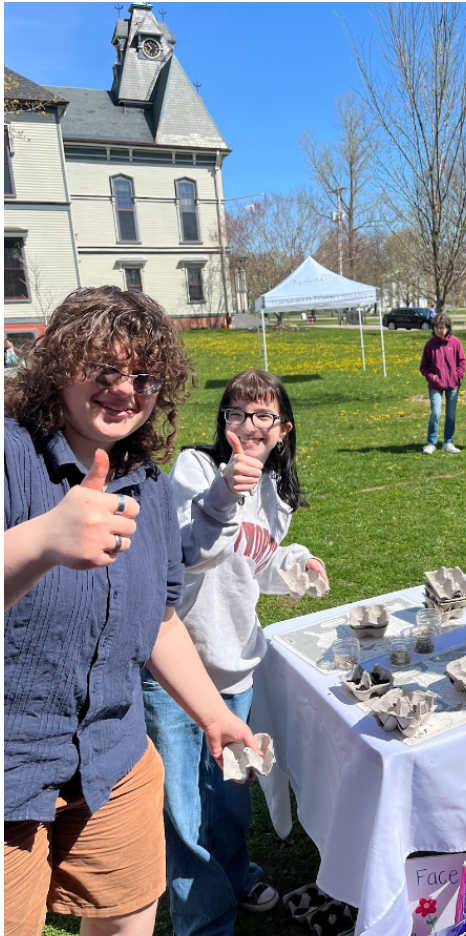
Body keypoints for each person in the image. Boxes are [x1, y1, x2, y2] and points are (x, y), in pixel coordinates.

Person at [4, 286, 261, 936]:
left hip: (115, 758)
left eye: (143, 377)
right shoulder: (9, 457)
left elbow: (161, 621)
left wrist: (214, 714)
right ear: (61, 366)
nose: (126, 390)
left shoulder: (150, 485)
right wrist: (42, 540)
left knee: (127, 924)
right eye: (106, 370)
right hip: (7, 767)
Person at [142, 369, 329, 936]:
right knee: (183, 811)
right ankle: (204, 919)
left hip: (237, 667)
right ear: (223, 423)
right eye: (237, 413)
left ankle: (233, 872)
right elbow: (188, 554)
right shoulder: (199, 470)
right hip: (176, 672)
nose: (250, 425)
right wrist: (227, 490)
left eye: (263, 415)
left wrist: (295, 567)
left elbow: (255, 563)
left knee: (229, 797)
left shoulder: (277, 494)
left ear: (283, 429)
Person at [419, 312, 466, 454]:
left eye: (443, 327)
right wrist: (432, 377)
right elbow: (423, 367)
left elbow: (462, 362)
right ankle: (431, 442)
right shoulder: (429, 345)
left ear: (448, 328)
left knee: (451, 414)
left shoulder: (455, 342)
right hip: (435, 386)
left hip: (453, 385)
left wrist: (457, 376)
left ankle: (448, 442)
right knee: (435, 413)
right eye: (438, 327)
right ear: (433, 328)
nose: (440, 330)